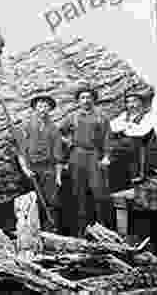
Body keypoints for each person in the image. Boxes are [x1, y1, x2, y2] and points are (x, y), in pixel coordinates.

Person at [59, 84, 112, 235]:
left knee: (98, 192)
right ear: (78, 101)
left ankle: (102, 228)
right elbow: (58, 132)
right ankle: (80, 230)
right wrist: (67, 142)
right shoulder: (73, 117)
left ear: (93, 99)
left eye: (89, 97)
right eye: (82, 97)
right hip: (76, 155)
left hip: (94, 155)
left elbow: (107, 138)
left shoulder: (101, 117)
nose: (86, 100)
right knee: (78, 192)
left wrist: (107, 156)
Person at [13, 93, 63, 232]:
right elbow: (20, 150)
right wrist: (25, 169)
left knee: (51, 201)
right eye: (40, 105)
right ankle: (32, 230)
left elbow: (58, 154)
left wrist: (58, 176)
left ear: (50, 109)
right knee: (33, 201)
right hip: (32, 168)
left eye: (46, 106)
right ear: (34, 108)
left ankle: (51, 230)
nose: (43, 109)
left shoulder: (53, 129)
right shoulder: (27, 126)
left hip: (48, 169)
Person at [109, 85, 157, 189]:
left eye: (134, 101)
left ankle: (137, 177)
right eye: (128, 102)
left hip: (141, 146)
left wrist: (125, 127)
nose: (131, 105)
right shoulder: (124, 115)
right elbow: (112, 126)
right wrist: (127, 126)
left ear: (141, 102)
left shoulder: (148, 115)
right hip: (123, 146)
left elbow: (141, 131)